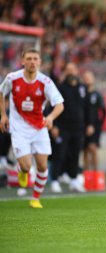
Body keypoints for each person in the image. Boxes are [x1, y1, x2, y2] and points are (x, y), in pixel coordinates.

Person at [0, 48, 64, 208]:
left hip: (39, 127)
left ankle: (35, 198)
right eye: (28, 58)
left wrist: (50, 117)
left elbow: (59, 105)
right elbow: (1, 93)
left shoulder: (46, 82)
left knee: (42, 165)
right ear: (22, 61)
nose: (32, 61)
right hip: (19, 128)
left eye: (35, 58)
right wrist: (3, 115)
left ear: (40, 62)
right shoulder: (12, 78)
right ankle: (21, 169)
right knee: (27, 166)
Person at [50, 63, 90, 193]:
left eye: (73, 69)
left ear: (77, 71)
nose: (71, 72)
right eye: (68, 70)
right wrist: (54, 125)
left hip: (78, 128)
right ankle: (55, 180)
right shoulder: (60, 88)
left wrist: (89, 124)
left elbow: (87, 108)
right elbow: (53, 107)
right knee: (60, 154)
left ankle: (73, 179)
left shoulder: (82, 88)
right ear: (65, 72)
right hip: (63, 127)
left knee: (75, 155)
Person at [82, 70, 106, 171]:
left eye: (89, 77)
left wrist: (97, 125)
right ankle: (86, 174)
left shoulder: (97, 95)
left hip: (94, 127)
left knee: (93, 148)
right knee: (85, 150)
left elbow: (103, 112)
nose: (87, 79)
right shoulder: (81, 94)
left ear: (93, 79)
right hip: (82, 126)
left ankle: (95, 172)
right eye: (85, 77)